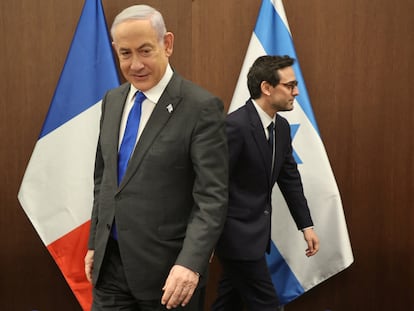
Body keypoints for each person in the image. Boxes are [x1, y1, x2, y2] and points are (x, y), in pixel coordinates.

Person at [84, 4, 228, 311]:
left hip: (170, 277)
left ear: (168, 44)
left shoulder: (201, 107)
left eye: (145, 50)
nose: (135, 64)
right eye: (125, 53)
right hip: (110, 269)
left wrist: (190, 263)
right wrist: (96, 242)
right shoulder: (112, 100)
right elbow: (105, 178)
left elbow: (212, 198)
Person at [211, 55, 320, 311]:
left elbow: (290, 179)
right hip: (235, 236)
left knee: (229, 301)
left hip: (256, 236)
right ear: (266, 88)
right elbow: (213, 186)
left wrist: (306, 225)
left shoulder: (281, 128)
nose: (296, 92)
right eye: (290, 85)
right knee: (267, 304)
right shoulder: (234, 126)